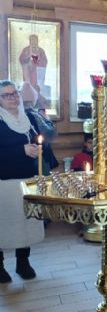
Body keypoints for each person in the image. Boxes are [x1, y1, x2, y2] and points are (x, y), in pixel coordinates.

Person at [0, 80, 57, 283]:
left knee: (26, 222)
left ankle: (23, 263)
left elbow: (43, 138)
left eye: (14, 93)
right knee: (4, 223)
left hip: (28, 179)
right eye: (6, 95)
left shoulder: (30, 118)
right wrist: (21, 150)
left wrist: (39, 148)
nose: (13, 98)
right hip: (4, 181)